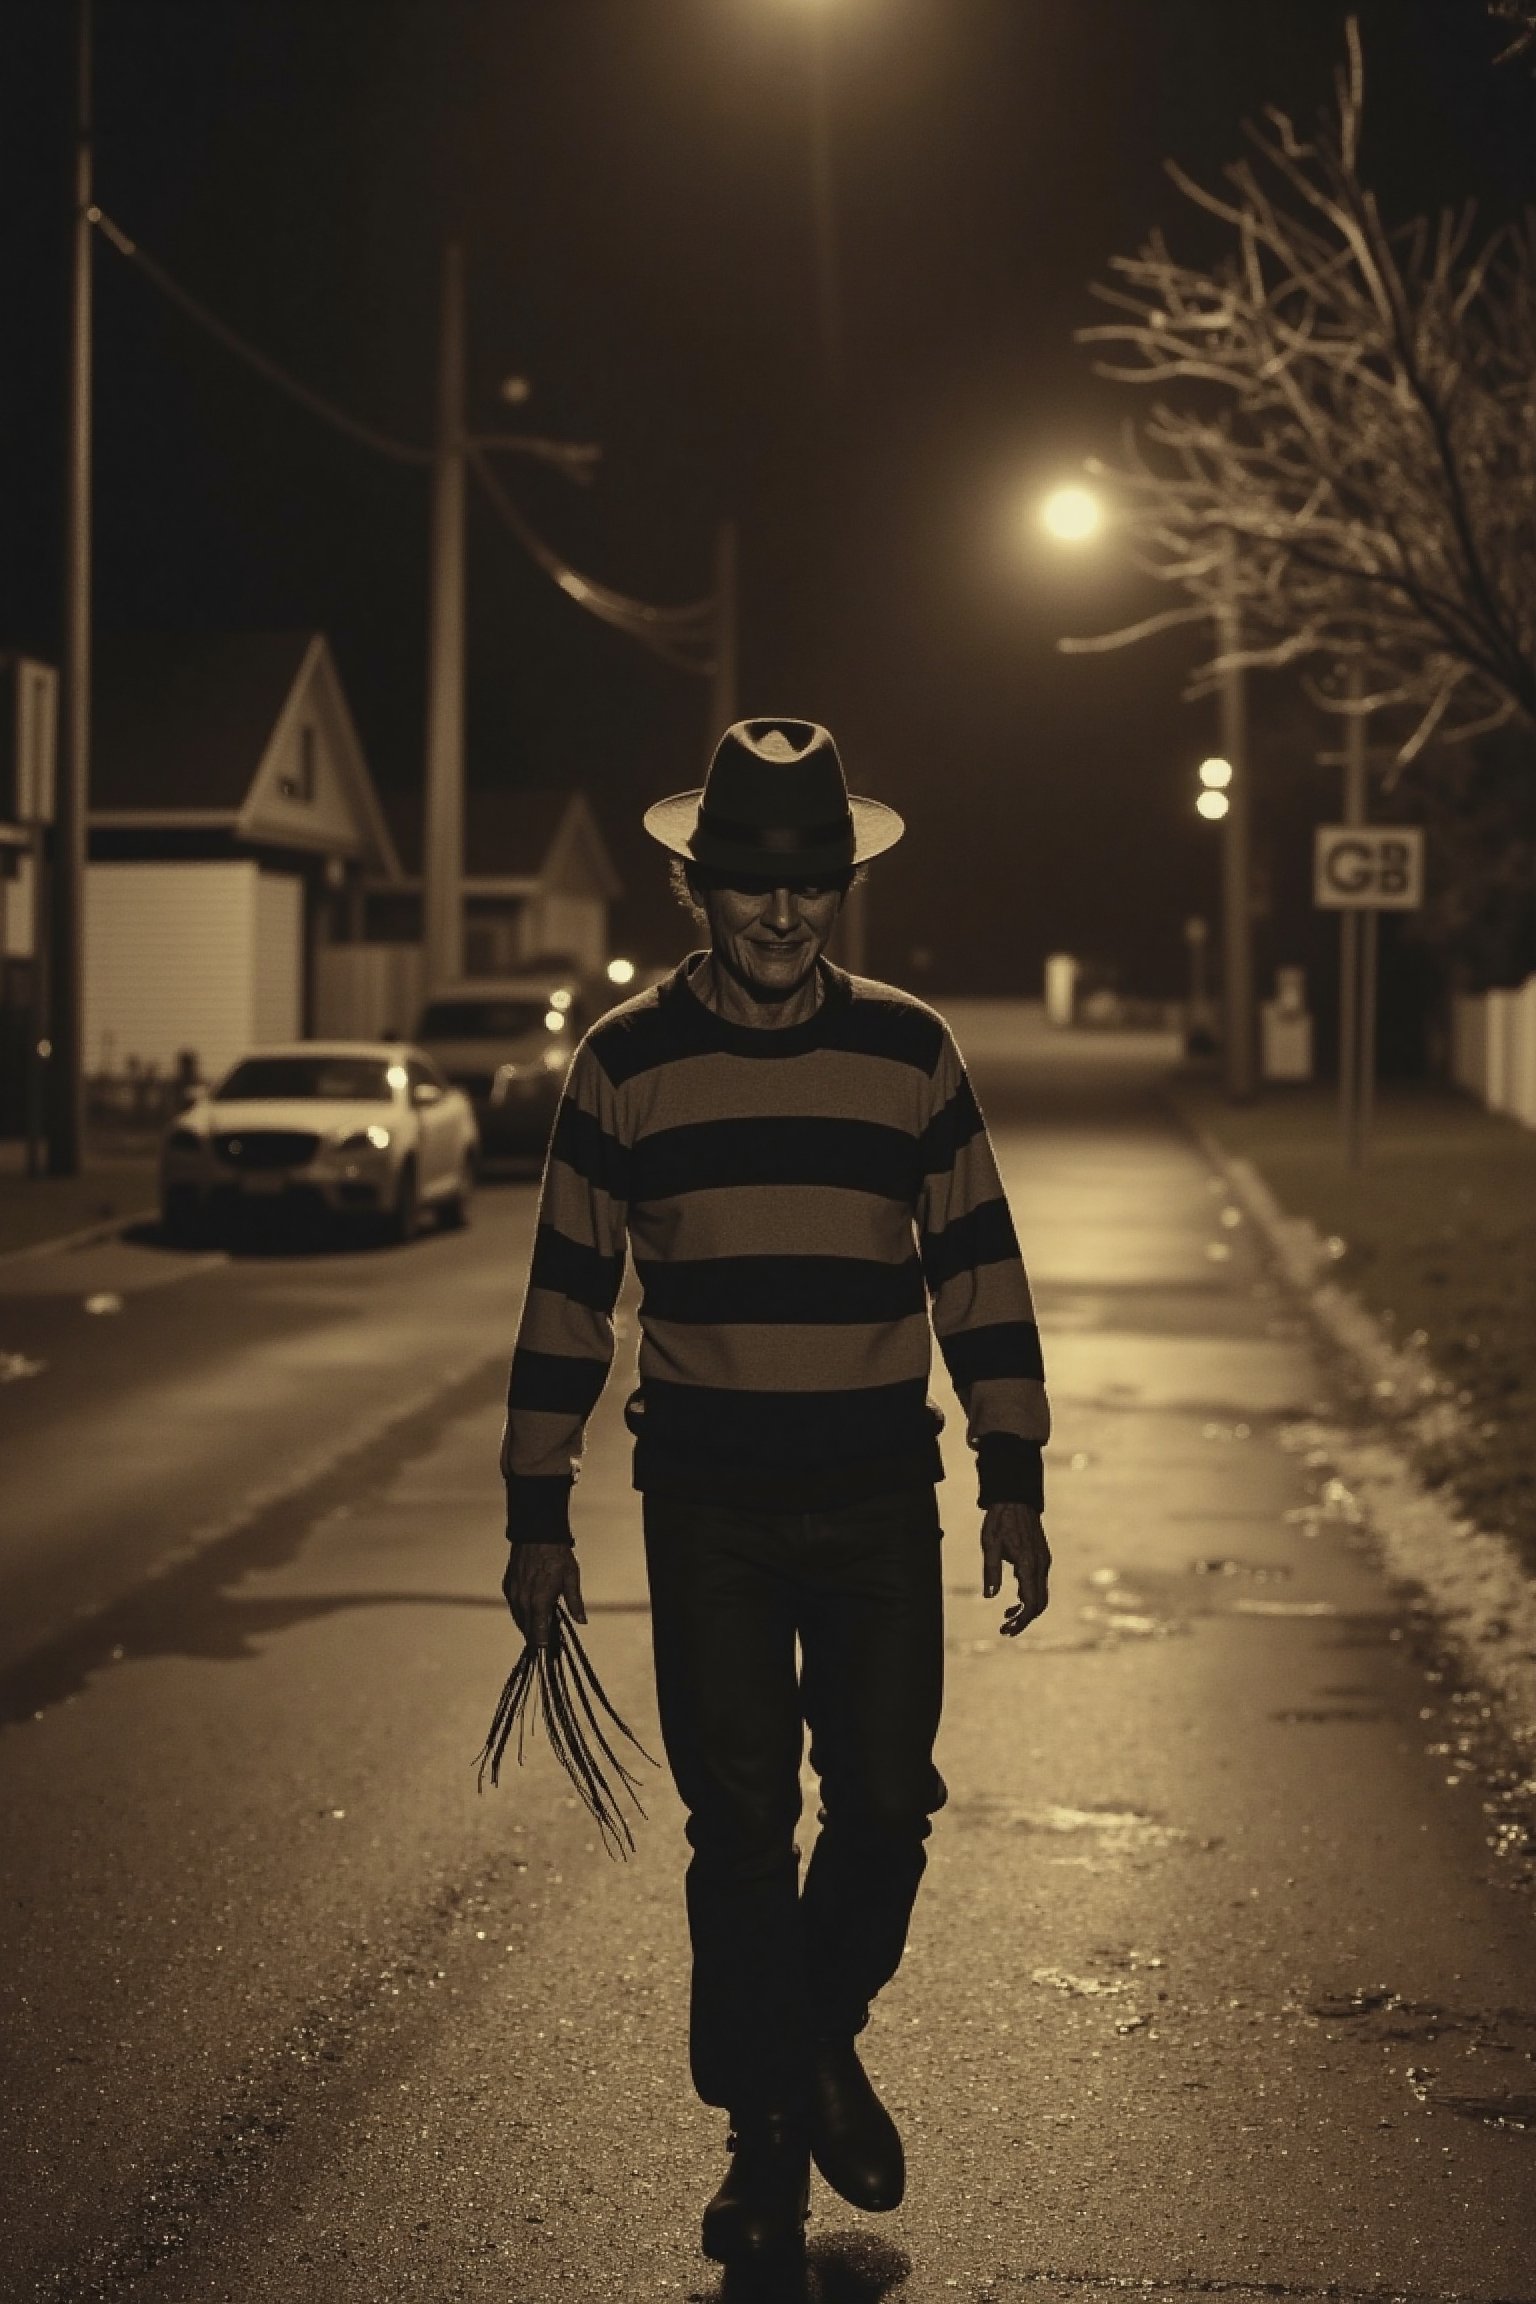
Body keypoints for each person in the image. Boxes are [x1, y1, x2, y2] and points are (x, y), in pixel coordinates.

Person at [501, 717, 1051, 2268]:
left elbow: (979, 1268)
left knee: (887, 1803)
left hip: (882, 1495)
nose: (783, 913)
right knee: (738, 1828)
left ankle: (808, 2043)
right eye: (751, 882)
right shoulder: (622, 1066)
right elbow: (565, 1302)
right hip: (713, 1509)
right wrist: (535, 1508)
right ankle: (767, 2150)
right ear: (697, 882)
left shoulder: (909, 1050)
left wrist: (1014, 1473)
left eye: (811, 885)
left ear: (841, 890)